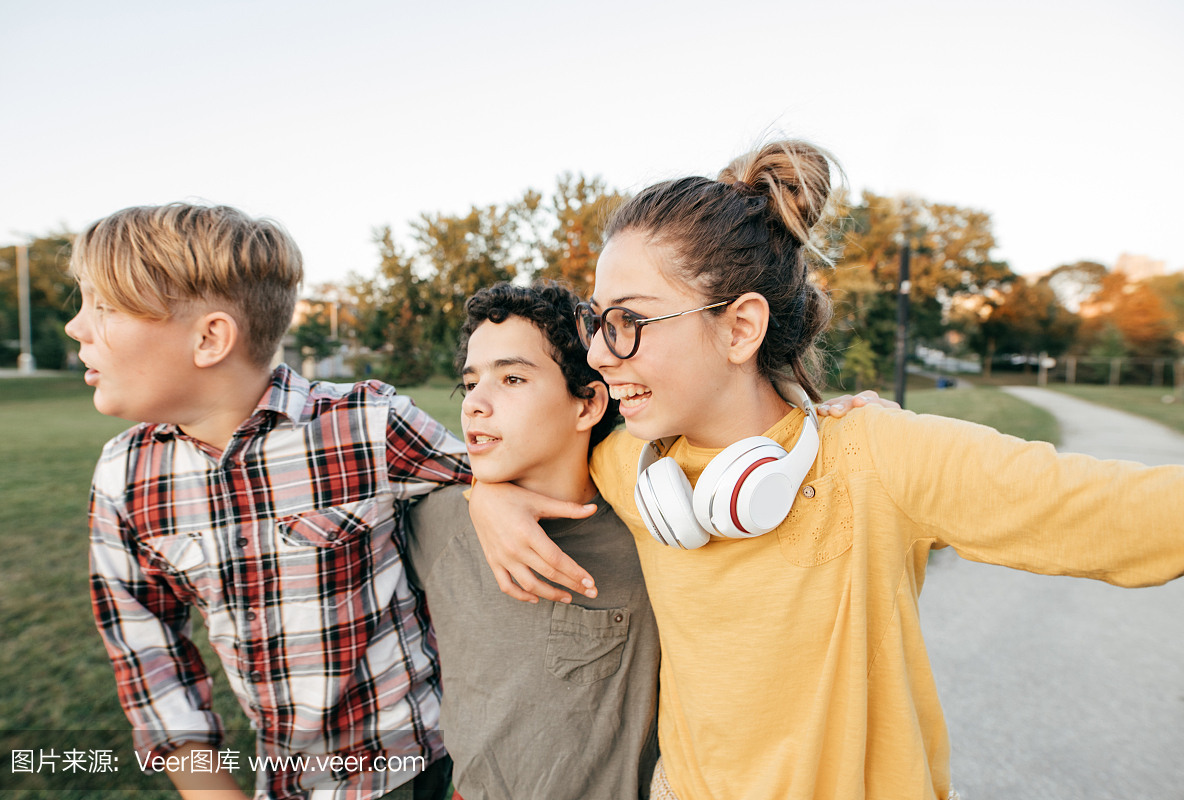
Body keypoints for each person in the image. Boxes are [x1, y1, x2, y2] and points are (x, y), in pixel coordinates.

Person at [464, 141, 1184, 800]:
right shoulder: (631, 461)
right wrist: (484, 494)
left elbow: (1121, 511)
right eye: (597, 321)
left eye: (628, 322)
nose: (598, 354)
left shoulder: (879, 455)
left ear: (740, 328)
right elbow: (495, 436)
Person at [67, 204, 466, 800]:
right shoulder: (124, 476)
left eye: (102, 307)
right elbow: (151, 662)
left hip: (426, 771)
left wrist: (495, 497)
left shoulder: (367, 423)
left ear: (210, 338)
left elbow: (492, 480)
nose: (77, 327)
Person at [404, 281, 660, 799]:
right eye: (470, 383)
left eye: (513, 377)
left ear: (587, 404)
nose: (475, 403)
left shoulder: (649, 534)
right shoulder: (435, 522)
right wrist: (482, 495)